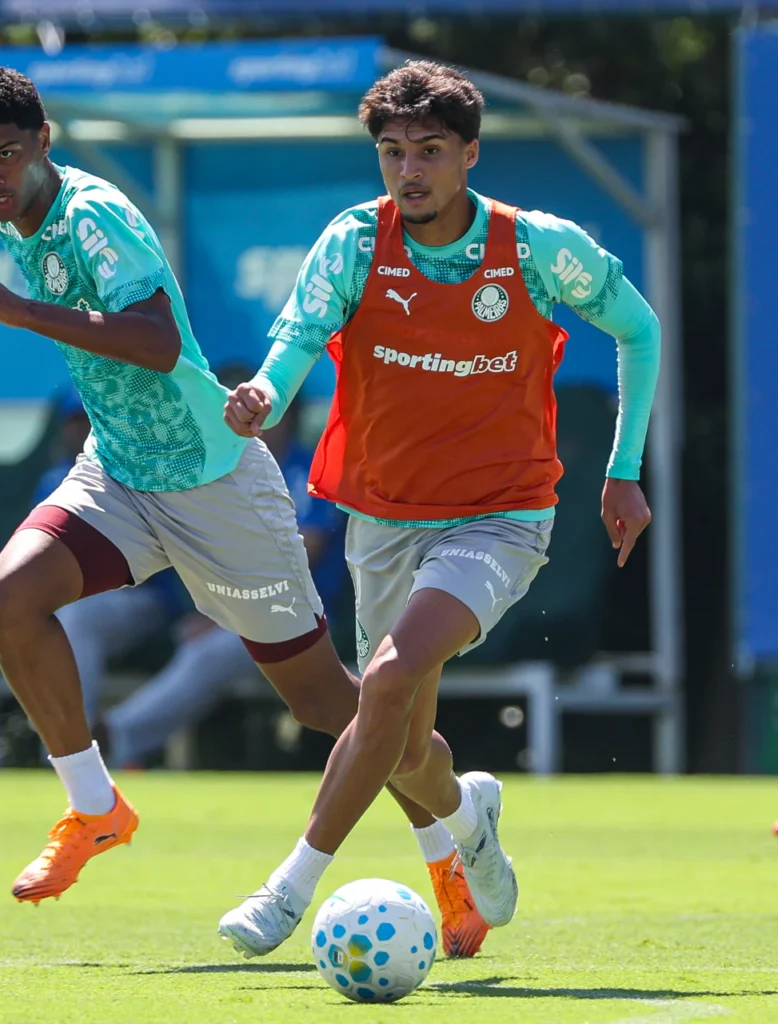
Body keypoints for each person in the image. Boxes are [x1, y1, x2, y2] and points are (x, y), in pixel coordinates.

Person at [0, 65, 487, 958]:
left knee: (332, 707)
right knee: (6, 599)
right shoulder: (18, 215)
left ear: (43, 142)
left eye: (5, 154)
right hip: (118, 471)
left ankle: (451, 836)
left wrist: (21, 312)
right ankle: (94, 807)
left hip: (214, 482)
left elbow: (157, 343)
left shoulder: (93, 215)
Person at [220, 60, 661, 956]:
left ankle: (287, 890)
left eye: (429, 150)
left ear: (469, 155)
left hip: (501, 517)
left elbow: (640, 328)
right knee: (402, 745)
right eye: (392, 151)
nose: (409, 169)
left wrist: (623, 470)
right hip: (382, 518)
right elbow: (297, 338)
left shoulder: (536, 248)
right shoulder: (354, 242)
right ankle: (470, 817)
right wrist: (265, 392)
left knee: (384, 682)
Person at [97, 393, 347, 770]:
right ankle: (124, 744)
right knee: (195, 640)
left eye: (264, 415)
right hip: (247, 608)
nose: (254, 423)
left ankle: (116, 737)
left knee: (211, 650)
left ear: (288, 417)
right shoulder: (226, 470)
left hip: (305, 611)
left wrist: (226, 616)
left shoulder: (308, 467)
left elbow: (303, 552)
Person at [0, 388, 183, 767]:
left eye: (88, 420)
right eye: (74, 421)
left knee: (76, 620)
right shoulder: (54, 478)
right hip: (68, 594)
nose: (80, 429)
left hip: (137, 595)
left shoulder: (145, 470)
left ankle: (71, 756)